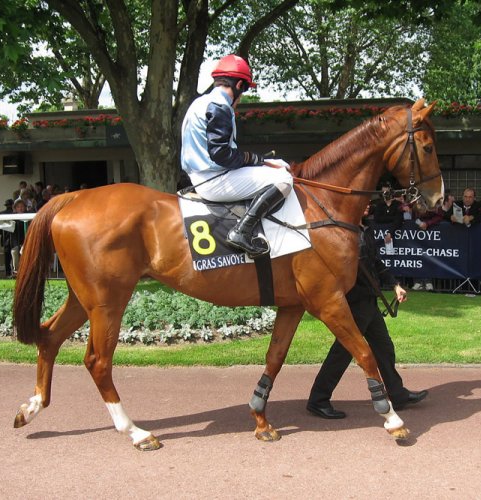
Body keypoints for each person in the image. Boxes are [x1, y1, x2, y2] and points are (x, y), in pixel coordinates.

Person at [307, 205, 428, 419]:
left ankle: (397, 394)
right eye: (364, 202)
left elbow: (376, 262)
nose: (369, 205)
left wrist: (395, 284)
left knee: (384, 347)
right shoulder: (342, 232)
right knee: (343, 352)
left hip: (369, 301)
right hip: (354, 302)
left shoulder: (366, 229)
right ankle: (318, 399)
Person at [180, 54, 293, 258]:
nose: (242, 96)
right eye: (245, 89)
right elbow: (222, 156)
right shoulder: (220, 106)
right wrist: (255, 159)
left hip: (201, 176)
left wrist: (262, 162)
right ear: (239, 84)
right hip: (214, 181)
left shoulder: (199, 103)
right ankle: (242, 231)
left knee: (272, 169)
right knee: (285, 178)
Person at [0, 199, 14, 277]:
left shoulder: (0, 214)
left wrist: (3, 233)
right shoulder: (15, 214)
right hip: (13, 237)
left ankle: (8, 272)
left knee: (7, 257)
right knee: (15, 255)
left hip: (5, 237)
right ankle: (14, 272)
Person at [10, 199, 28, 275]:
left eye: (22, 206)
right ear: (15, 208)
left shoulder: (29, 216)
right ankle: (16, 271)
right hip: (15, 240)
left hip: (26, 240)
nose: (20, 208)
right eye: (18, 207)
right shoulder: (12, 217)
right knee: (15, 252)